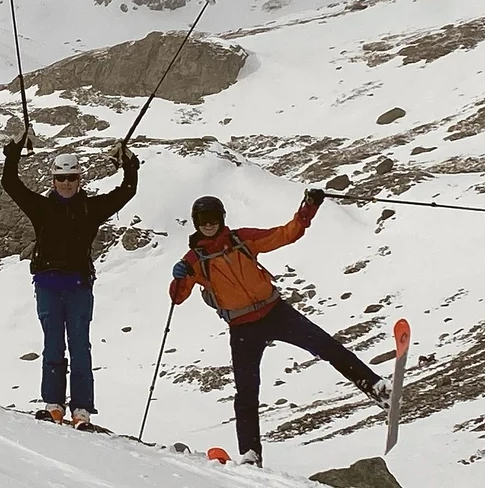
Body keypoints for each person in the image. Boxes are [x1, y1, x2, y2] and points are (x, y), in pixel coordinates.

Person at [167, 190, 392, 467]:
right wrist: (179, 276)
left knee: (328, 347)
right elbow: (178, 297)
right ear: (195, 222)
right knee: (247, 392)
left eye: (213, 217)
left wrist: (308, 209)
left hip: (275, 311)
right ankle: (250, 454)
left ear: (222, 219)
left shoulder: (241, 239)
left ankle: (376, 387)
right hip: (242, 327)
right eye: (203, 219)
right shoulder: (194, 261)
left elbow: (287, 234)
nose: (208, 224)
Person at [0, 134, 139, 428]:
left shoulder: (91, 208)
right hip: (49, 284)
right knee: (53, 345)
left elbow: (127, 192)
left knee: (79, 347)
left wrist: (130, 165)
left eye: (71, 177)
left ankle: (81, 410)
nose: (66, 183)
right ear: (53, 180)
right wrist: (12, 154)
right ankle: (54, 405)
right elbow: (11, 184)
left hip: (77, 285)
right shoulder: (42, 207)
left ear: (79, 179)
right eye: (61, 178)